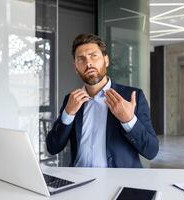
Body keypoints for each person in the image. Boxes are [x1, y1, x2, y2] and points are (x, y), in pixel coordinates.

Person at [46, 33, 159, 168]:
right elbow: (52, 147)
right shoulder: (71, 100)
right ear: (76, 67)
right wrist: (67, 114)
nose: (88, 63)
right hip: (79, 182)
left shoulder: (131, 96)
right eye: (81, 59)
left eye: (94, 56)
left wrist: (129, 120)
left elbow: (151, 151)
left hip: (118, 183)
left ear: (106, 60)